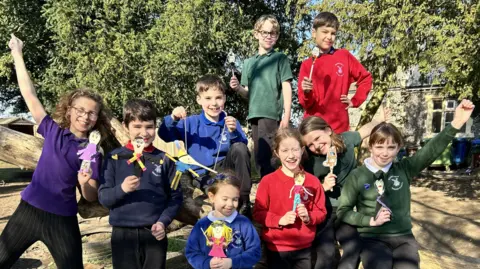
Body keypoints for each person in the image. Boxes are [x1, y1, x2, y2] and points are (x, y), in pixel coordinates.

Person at [0, 34, 108, 268]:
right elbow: (29, 95)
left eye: (92, 113)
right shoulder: (53, 131)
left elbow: (90, 196)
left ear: (97, 118)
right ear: (69, 111)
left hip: (62, 219)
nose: (85, 116)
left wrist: (86, 181)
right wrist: (17, 54)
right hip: (28, 211)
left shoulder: (92, 151)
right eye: (80, 109)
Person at [337, 100, 474, 269]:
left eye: (391, 147)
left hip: (403, 239)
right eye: (379, 147)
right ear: (370, 146)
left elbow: (430, 151)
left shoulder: (404, 169)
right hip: (372, 238)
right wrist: (369, 220)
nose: (385, 153)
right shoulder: (357, 175)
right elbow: (343, 211)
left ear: (398, 147)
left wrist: (457, 122)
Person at [98, 99, 183, 269]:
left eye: (149, 126)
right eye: (137, 126)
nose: (144, 133)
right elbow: (103, 197)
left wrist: (163, 222)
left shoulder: (165, 160)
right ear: (125, 126)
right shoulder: (114, 158)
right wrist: (122, 189)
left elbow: (175, 198)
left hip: (154, 232)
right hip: (122, 234)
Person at [299, 109, 388, 269]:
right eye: (310, 145)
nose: (316, 146)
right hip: (323, 212)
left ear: (328, 130)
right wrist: (322, 186)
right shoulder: (310, 161)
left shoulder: (346, 140)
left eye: (318, 138)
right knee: (326, 254)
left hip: (345, 211)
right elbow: (305, 190)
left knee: (354, 248)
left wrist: (379, 120)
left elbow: (364, 131)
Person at [158, 75, 252, 215]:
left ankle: (244, 202)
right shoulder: (190, 122)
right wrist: (173, 118)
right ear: (199, 100)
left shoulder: (231, 122)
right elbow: (164, 135)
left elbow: (242, 150)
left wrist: (233, 133)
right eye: (208, 98)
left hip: (225, 169)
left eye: (218, 98)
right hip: (200, 173)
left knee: (239, 147)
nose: (214, 103)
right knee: (217, 199)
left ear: (224, 99)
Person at [230, 14, 293, 178]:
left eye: (272, 33)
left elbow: (286, 87)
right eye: (264, 32)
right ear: (256, 34)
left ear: (277, 36)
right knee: (259, 158)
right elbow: (248, 93)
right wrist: (237, 89)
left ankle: (272, 196)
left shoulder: (280, 58)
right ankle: (266, 193)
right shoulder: (248, 63)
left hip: (271, 114)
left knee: (269, 159)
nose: (268, 36)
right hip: (254, 116)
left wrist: (286, 116)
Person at [253, 128, 327, 269]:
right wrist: (279, 220)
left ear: (302, 149)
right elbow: (258, 213)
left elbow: (321, 212)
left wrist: (308, 217)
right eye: (285, 151)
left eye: (295, 149)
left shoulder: (312, 182)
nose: (291, 155)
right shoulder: (268, 181)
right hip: (276, 249)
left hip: (304, 248)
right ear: (276, 153)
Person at [298, 11, 372, 134]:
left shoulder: (344, 56)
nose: (329, 37)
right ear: (314, 33)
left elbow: (366, 78)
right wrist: (306, 92)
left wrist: (355, 100)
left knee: (338, 153)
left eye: (333, 33)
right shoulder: (307, 65)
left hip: (338, 128)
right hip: (313, 128)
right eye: (325, 32)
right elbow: (305, 103)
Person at [185, 173, 261, 269]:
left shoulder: (243, 223)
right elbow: (191, 252)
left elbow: (255, 251)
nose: (230, 204)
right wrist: (207, 263)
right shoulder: (202, 225)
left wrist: (232, 262)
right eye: (225, 199)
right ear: (212, 197)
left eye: (235, 199)